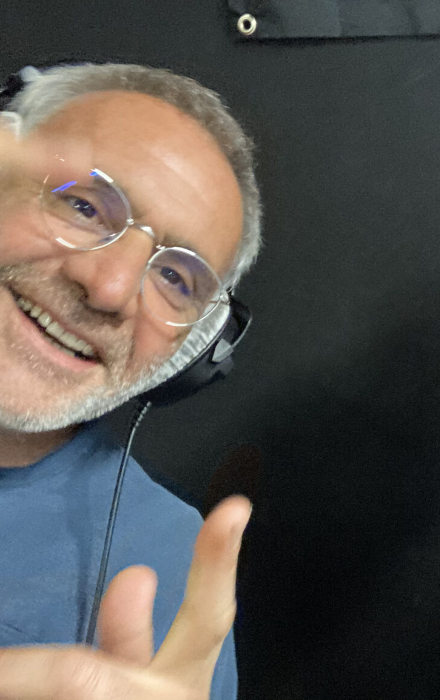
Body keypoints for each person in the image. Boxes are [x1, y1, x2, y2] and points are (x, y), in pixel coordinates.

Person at [0, 62, 261, 699]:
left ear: (193, 352)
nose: (111, 287)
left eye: (175, 278)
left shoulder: (166, 567)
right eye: (84, 206)